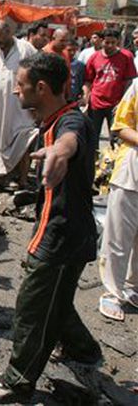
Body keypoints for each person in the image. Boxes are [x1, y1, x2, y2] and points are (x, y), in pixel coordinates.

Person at [0, 52, 101, 404]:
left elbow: (69, 142)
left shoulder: (69, 124)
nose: (16, 92)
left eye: (20, 86)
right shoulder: (54, 120)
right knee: (55, 300)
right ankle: (84, 351)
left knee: (32, 307)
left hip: (60, 237)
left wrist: (59, 153)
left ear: (42, 88)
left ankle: (18, 380)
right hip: (68, 232)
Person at [97, 78, 138, 321]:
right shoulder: (136, 86)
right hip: (131, 170)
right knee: (119, 235)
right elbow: (120, 126)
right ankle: (112, 291)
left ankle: (133, 287)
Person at [0, 20, 37, 189]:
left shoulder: (26, 49)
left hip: (20, 107)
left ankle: (22, 179)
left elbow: (37, 73)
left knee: (23, 141)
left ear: (8, 31)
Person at [82, 27, 137, 153]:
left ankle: (112, 165)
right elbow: (88, 81)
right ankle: (93, 165)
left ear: (118, 42)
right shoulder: (94, 57)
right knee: (92, 138)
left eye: (113, 42)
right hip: (96, 103)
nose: (110, 45)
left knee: (116, 137)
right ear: (101, 41)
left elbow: (129, 82)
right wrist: (86, 99)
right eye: (107, 42)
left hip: (116, 105)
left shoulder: (126, 56)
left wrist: (123, 102)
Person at [42, 28, 72, 97]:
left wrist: (68, 93)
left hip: (61, 96)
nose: (64, 44)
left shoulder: (65, 53)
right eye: (62, 41)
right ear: (53, 38)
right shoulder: (45, 53)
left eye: (66, 41)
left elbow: (68, 75)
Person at [67, 39, 85, 103]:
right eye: (69, 50)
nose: (72, 53)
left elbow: (82, 81)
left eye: (74, 50)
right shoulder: (59, 63)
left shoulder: (80, 65)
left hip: (74, 98)